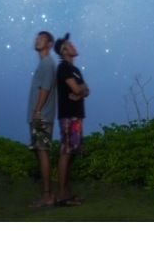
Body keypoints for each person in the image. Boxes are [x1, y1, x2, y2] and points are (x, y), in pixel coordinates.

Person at [54, 32, 89, 206]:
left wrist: (80, 92)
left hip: (77, 115)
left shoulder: (75, 70)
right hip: (69, 115)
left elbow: (86, 90)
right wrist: (80, 91)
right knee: (67, 151)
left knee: (72, 152)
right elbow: (77, 90)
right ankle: (61, 196)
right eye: (70, 44)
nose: (74, 46)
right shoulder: (64, 68)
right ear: (64, 50)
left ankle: (66, 193)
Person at [27, 30, 56, 207]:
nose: (37, 40)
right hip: (41, 116)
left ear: (50, 44)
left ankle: (47, 196)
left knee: (42, 151)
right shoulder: (44, 64)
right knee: (40, 151)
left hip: (41, 117)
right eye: (37, 38)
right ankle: (47, 194)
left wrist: (37, 111)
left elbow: (45, 89)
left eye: (42, 39)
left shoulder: (47, 63)